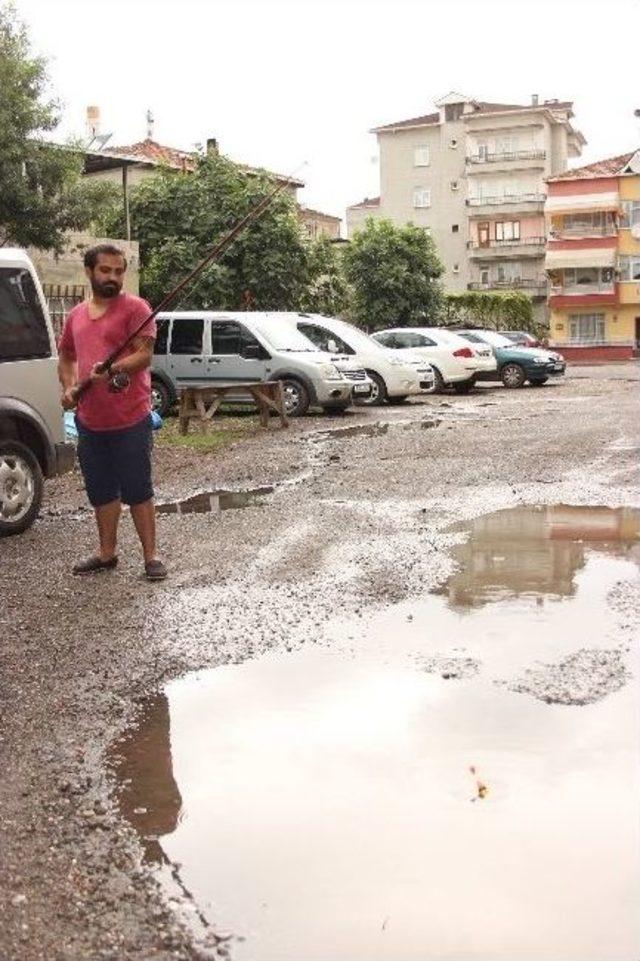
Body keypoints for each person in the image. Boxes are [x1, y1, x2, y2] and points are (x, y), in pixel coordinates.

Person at [58, 244, 167, 581]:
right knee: (101, 490)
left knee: (138, 488)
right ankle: (107, 553)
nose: (113, 277)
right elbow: (66, 356)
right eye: (106, 270)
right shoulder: (76, 315)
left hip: (130, 418)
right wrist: (69, 387)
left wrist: (114, 367)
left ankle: (151, 557)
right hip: (90, 421)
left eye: (119, 271)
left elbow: (144, 355)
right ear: (89, 271)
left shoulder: (136, 308)